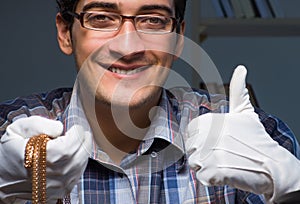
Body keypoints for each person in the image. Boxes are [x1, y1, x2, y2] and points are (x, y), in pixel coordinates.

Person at [0, 0, 299, 203]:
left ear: (179, 37)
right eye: (102, 18)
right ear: (66, 33)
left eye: (153, 20)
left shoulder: (255, 137)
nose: (128, 47)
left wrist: (293, 191)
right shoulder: (7, 130)